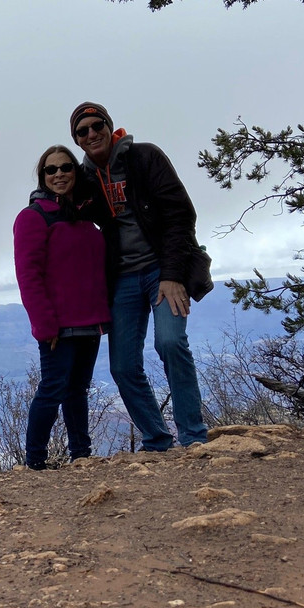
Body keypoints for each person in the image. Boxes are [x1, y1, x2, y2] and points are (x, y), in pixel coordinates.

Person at [69, 102, 208, 451]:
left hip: (163, 269)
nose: (91, 133)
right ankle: (157, 440)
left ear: (108, 125)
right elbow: (62, 204)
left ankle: (193, 437)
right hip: (123, 279)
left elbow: (180, 215)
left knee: (170, 343)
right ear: (77, 140)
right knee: (123, 367)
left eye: (96, 125)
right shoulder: (85, 179)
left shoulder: (145, 157)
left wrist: (173, 274)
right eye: (82, 131)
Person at [13, 144, 112, 470]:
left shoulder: (84, 214)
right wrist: (44, 325)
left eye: (65, 168)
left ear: (75, 171)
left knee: (77, 391)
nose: (59, 174)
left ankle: (81, 457)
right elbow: (29, 275)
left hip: (91, 320)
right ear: (42, 176)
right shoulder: (33, 217)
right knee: (52, 390)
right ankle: (35, 464)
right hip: (58, 325)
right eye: (51, 170)